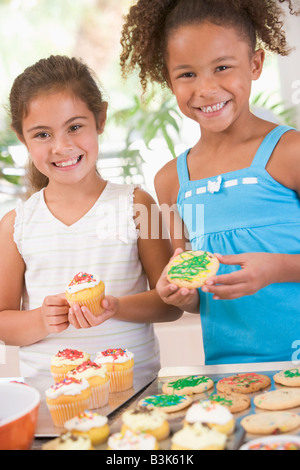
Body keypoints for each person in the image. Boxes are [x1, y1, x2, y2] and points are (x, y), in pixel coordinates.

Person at [120, 0, 300, 365]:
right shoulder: (170, 180)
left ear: (255, 64)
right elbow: (194, 294)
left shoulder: (290, 152)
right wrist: (181, 295)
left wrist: (275, 269)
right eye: (187, 74)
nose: (205, 89)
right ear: (168, 80)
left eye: (222, 67)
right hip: (229, 373)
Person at [0, 55, 182, 377]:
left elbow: (170, 304)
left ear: (100, 119)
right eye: (42, 134)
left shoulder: (138, 205)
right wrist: (42, 319)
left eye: (74, 127)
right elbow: (4, 321)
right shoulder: (16, 224)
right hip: (50, 401)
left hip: (134, 395)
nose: (62, 146)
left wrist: (115, 307)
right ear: (22, 137)